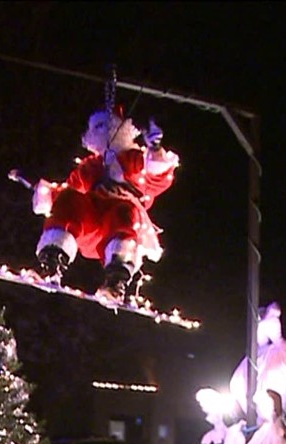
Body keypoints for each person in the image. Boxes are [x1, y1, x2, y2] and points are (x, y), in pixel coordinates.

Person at [33, 104, 179, 300]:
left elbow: (156, 177)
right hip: (93, 223)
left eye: (106, 127)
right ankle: (51, 263)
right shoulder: (90, 166)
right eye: (98, 128)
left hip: (122, 220)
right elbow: (67, 192)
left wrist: (155, 148)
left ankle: (116, 279)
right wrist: (43, 190)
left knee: (124, 213)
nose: (103, 133)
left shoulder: (132, 158)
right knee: (70, 198)